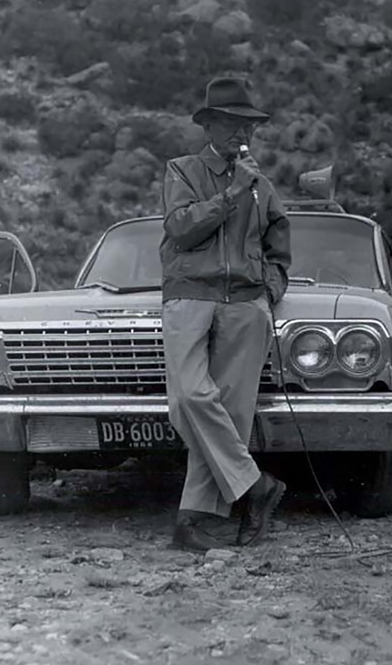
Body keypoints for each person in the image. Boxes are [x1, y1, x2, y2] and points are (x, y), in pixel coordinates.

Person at [160, 76, 292, 552]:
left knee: (230, 413)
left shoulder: (264, 186)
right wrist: (232, 193)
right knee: (190, 401)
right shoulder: (183, 170)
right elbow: (180, 229)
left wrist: (268, 292)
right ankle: (256, 485)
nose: (244, 134)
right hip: (189, 295)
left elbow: (280, 245)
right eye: (233, 124)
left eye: (250, 126)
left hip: (245, 303)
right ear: (209, 125)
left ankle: (193, 520)